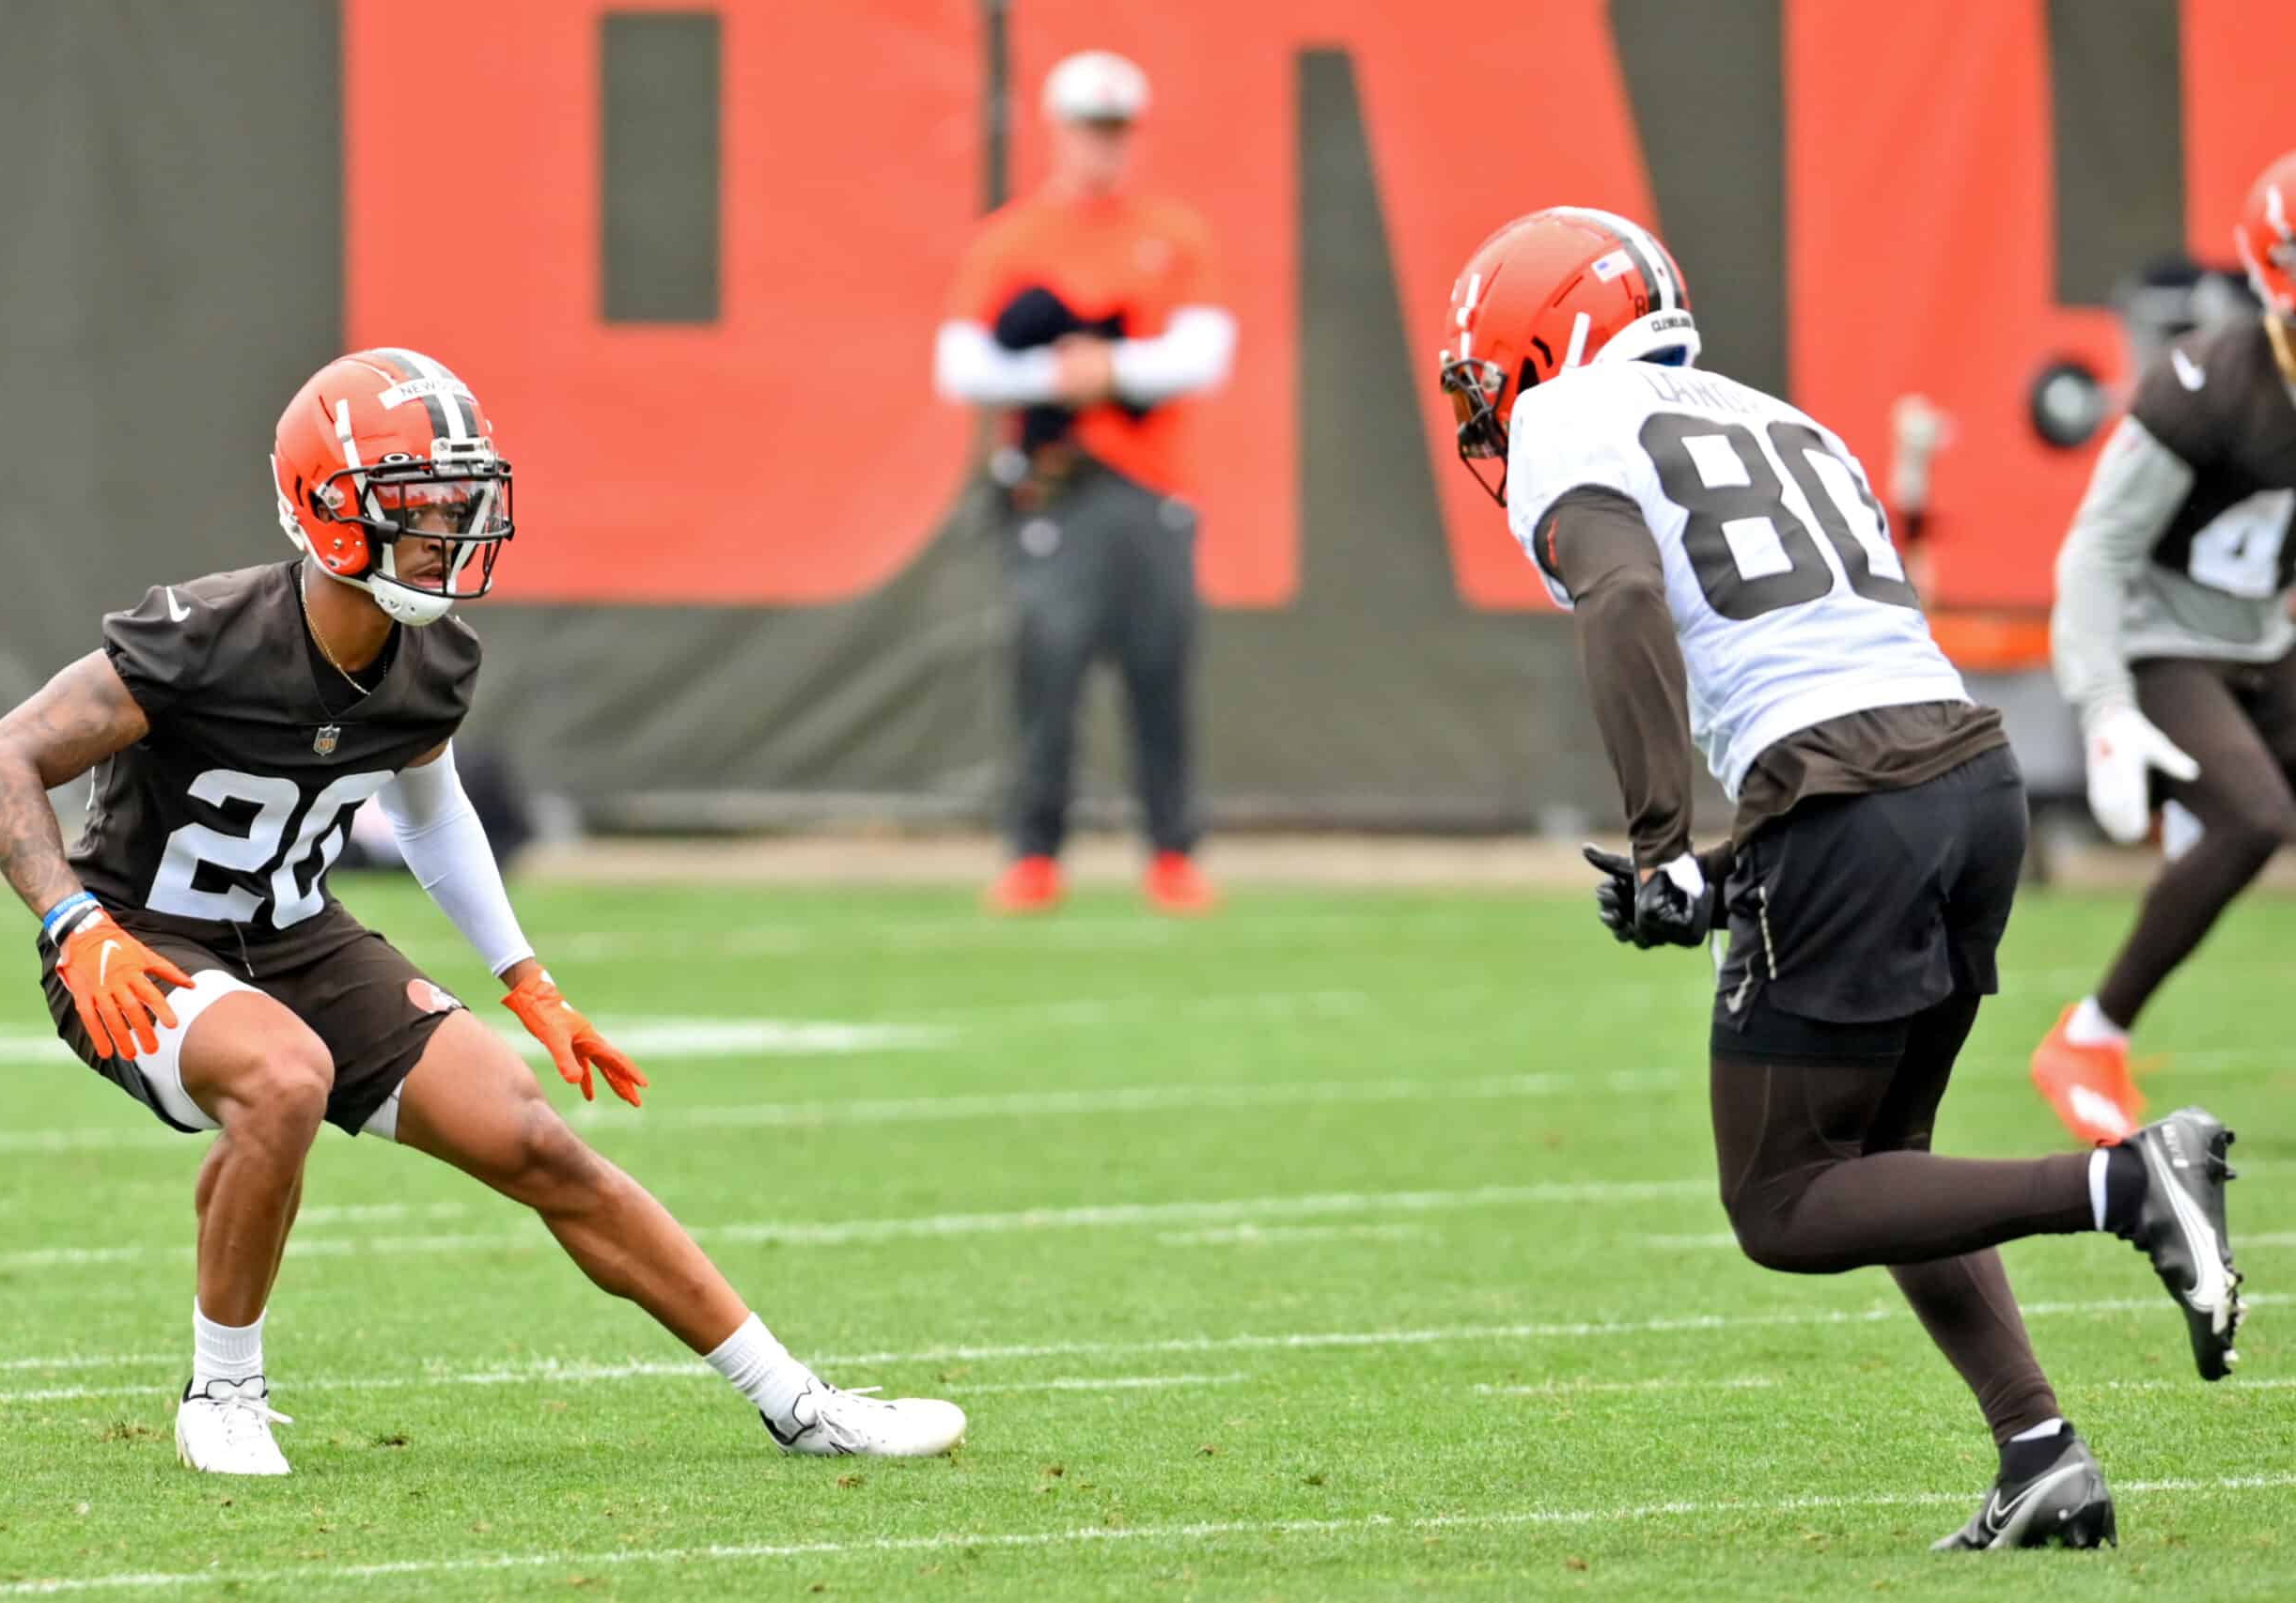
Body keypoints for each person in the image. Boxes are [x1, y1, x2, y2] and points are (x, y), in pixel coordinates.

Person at [0, 349, 965, 1475]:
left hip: (298, 932)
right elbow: (0, 762)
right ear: (330, 513)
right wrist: (70, 922)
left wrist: (523, 973)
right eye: (421, 506)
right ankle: (223, 1390)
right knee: (282, 1078)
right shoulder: (201, 635)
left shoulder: (430, 657)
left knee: (534, 1139)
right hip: (136, 940)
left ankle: (798, 1401)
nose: (452, 528)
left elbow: (434, 818)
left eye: (457, 500)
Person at [1435, 209, 2244, 1549]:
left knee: (1785, 1198)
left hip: (1844, 793)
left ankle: (2124, 1184)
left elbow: (1626, 597)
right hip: (1963, 774)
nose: (1490, 414)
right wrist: (1723, 867)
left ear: (1555, 338)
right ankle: (2041, 1453)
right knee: (1885, 1153)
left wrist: (1657, 840)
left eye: (1492, 376)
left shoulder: (1574, 420)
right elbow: (1838, 674)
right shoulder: (1782, 420)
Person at [2034, 148, 2296, 1144]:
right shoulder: (2205, 383)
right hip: (2163, 642)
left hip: (2263, 634)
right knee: (2251, 815)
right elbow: (2097, 548)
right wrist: (2102, 705)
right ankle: (2089, 1036)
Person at [933, 49, 1235, 915]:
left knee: (1160, 669)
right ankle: (1034, 854)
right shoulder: (1012, 239)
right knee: (1047, 667)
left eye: (1115, 130)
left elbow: (1204, 353)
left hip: (1152, 487)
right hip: (1056, 489)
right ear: (1056, 130)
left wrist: (1111, 366)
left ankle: (1173, 854)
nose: (1102, 146)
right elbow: (961, 364)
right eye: (1087, 128)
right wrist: (1054, 381)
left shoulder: (1174, 234)